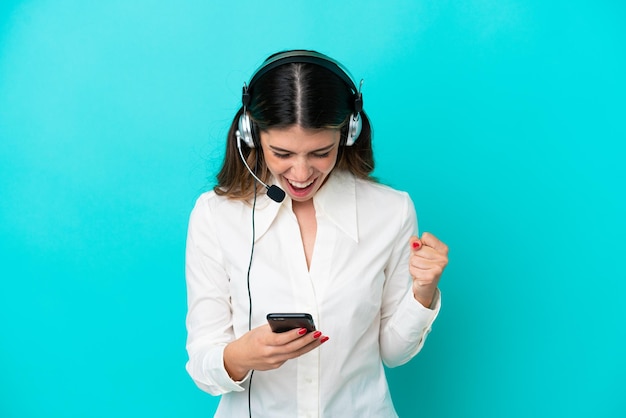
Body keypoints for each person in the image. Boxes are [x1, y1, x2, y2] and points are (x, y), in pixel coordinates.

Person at [185, 50, 449, 417]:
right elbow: (203, 365)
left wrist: (423, 292)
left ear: (348, 132)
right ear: (251, 133)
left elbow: (393, 352)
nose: (301, 172)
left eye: (321, 152)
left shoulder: (391, 211)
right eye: (282, 153)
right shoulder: (215, 215)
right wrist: (240, 355)